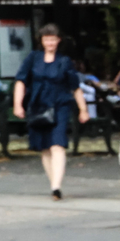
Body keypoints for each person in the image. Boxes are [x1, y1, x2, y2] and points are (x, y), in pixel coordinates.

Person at [13, 23, 89, 200]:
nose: (50, 43)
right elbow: (21, 81)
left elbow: (75, 87)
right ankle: (53, 182)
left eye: (53, 39)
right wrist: (18, 104)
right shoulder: (33, 58)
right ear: (41, 40)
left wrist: (83, 109)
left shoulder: (64, 61)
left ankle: (56, 186)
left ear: (58, 41)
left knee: (58, 144)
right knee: (44, 147)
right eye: (46, 39)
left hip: (60, 105)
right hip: (38, 105)